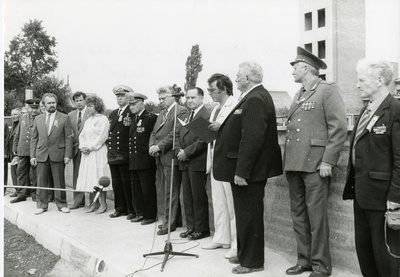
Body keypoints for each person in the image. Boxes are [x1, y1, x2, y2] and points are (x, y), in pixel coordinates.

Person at [213, 61, 283, 274]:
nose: (235, 79)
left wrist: (242, 172)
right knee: (244, 215)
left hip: (249, 172)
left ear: (249, 78)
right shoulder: (252, 97)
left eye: (238, 76)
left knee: (249, 216)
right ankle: (245, 254)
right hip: (245, 170)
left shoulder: (255, 99)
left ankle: (252, 262)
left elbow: (252, 139)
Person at [284, 47, 347, 277]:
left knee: (316, 217)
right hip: (295, 163)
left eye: (295, 67)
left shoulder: (327, 91)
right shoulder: (299, 93)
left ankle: (321, 266)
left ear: (307, 68)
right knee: (298, 214)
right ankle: (304, 260)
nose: (292, 71)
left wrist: (328, 161)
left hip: (314, 163)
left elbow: (338, 128)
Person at [343, 59, 400, 277]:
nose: (357, 85)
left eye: (361, 80)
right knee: (365, 252)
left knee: (385, 258)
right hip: (362, 195)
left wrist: (396, 196)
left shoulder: (395, 110)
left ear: (379, 80)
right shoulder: (365, 110)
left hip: (384, 198)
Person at [203, 73, 238, 259]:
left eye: (212, 90)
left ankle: (235, 243)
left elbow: (234, 131)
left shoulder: (236, 105)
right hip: (215, 159)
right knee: (218, 202)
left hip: (228, 161)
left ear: (223, 89)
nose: (210, 93)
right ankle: (221, 237)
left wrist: (220, 127)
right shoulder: (215, 109)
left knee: (232, 205)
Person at [149, 85, 187, 235]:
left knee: (171, 191)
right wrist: (152, 145)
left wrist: (158, 146)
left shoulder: (181, 111)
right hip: (160, 157)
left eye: (163, 98)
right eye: (159, 99)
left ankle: (169, 223)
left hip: (170, 157)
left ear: (173, 96)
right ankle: (170, 220)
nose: (161, 101)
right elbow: (154, 131)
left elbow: (174, 134)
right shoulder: (162, 113)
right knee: (164, 190)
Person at [176, 87, 211, 240]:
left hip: (197, 161)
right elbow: (178, 135)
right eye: (188, 98)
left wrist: (187, 152)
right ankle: (191, 227)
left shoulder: (206, 114)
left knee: (198, 197)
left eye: (193, 98)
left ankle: (202, 229)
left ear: (201, 98)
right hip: (185, 162)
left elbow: (203, 140)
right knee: (188, 196)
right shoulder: (188, 115)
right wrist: (179, 150)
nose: (189, 101)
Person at [30, 93, 73, 215]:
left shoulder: (64, 118)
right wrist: (32, 156)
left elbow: (68, 138)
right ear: (43, 105)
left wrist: (68, 155)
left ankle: (61, 204)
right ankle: (42, 205)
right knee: (41, 180)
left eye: (53, 102)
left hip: (58, 153)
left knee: (59, 180)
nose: (52, 105)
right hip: (41, 154)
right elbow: (34, 138)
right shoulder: (38, 118)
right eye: (49, 103)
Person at [76, 95, 111, 214]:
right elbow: (82, 135)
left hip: (98, 152)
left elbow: (103, 136)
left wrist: (91, 147)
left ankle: (103, 203)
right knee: (91, 177)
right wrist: (83, 147)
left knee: (100, 177)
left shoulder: (103, 119)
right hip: (87, 153)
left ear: (97, 106)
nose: (88, 108)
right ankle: (94, 203)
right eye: (88, 106)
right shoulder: (88, 120)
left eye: (90, 105)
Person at [126, 92, 158, 225]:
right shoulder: (134, 119)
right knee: (137, 189)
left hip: (145, 160)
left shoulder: (150, 118)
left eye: (134, 104)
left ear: (141, 103)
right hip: (134, 159)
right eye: (130, 104)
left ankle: (150, 215)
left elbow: (154, 136)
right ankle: (140, 213)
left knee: (147, 189)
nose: (131, 107)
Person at [108, 85, 135, 219]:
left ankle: (131, 209)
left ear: (128, 97)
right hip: (114, 154)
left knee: (126, 183)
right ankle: (120, 208)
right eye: (118, 96)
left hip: (125, 154)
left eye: (122, 96)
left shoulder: (131, 112)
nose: (120, 98)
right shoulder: (113, 114)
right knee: (117, 183)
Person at [11, 99, 41, 203]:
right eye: (32, 108)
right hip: (22, 149)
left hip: (35, 150)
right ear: (28, 108)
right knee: (21, 172)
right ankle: (21, 194)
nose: (34, 110)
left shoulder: (41, 118)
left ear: (39, 108)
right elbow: (17, 134)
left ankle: (34, 194)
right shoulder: (23, 118)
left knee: (34, 173)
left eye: (36, 108)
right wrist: (15, 147)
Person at [69, 91, 89, 210]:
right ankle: (78, 201)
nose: (79, 103)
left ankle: (93, 201)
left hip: (89, 149)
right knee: (76, 175)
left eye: (81, 100)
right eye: (76, 101)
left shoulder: (91, 113)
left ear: (85, 100)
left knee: (91, 175)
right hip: (76, 150)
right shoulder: (70, 115)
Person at [7, 108, 22, 197]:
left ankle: (20, 190)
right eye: (12, 114)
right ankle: (17, 189)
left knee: (19, 172)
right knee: (14, 172)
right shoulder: (13, 125)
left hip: (18, 152)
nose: (13, 116)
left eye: (15, 114)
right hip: (12, 152)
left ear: (20, 115)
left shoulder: (21, 125)